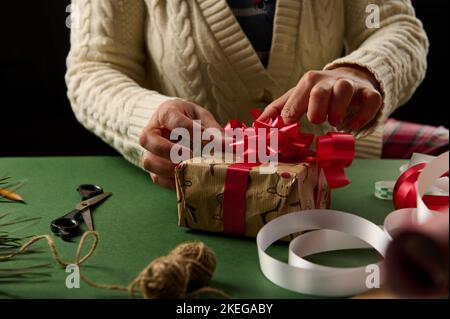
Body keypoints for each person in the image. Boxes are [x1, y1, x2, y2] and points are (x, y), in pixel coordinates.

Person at [66, 0, 429, 189]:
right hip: (193, 180)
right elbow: (93, 67)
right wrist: (149, 118)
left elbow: (396, 26)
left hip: (335, 154)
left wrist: (360, 71)